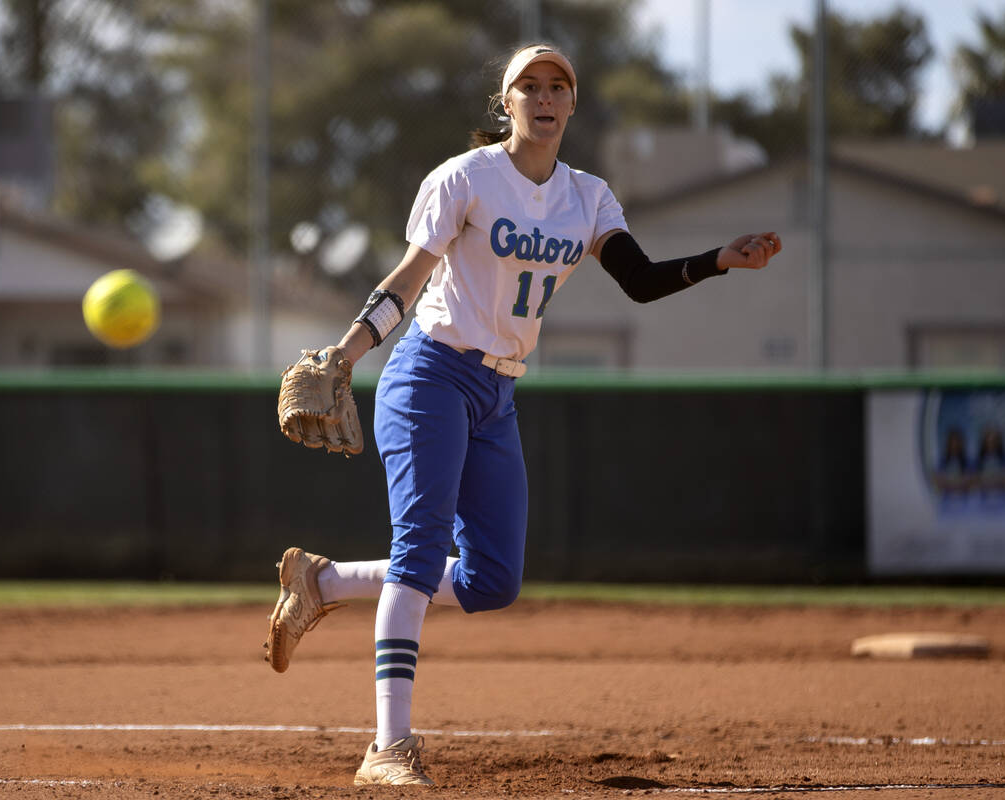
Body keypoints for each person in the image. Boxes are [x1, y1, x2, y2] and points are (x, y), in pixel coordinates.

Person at [262, 43, 782, 787]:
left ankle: (324, 583)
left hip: (496, 393)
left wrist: (718, 260)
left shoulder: (588, 196)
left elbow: (636, 280)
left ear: (572, 105)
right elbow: (407, 281)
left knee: (494, 581)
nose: (544, 96)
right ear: (504, 104)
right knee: (419, 549)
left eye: (558, 86)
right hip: (430, 373)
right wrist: (345, 355)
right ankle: (388, 747)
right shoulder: (467, 177)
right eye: (528, 86)